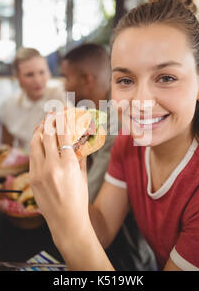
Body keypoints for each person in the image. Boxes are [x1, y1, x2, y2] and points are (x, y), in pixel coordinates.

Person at [29, 0, 199, 271]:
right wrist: (70, 180)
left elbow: (81, 238)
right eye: (125, 79)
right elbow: (102, 229)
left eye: (166, 77)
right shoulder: (128, 144)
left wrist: (69, 230)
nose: (141, 102)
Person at [61, 43, 157, 270]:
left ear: (87, 80)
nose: (63, 86)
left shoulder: (114, 125)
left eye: (66, 78)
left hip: (128, 255)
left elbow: (90, 200)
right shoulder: (91, 114)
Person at [0, 47, 67, 152]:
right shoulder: (8, 105)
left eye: (42, 72)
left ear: (49, 73)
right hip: (24, 165)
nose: (37, 80)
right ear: (17, 78)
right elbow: (6, 149)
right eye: (29, 75)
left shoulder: (61, 96)